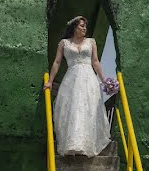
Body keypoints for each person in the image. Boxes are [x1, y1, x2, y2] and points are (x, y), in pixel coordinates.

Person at [44, 15, 111, 157]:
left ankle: (86, 144)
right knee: (74, 108)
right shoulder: (64, 43)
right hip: (72, 78)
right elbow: (57, 62)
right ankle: (73, 144)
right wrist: (50, 81)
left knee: (88, 107)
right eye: (81, 26)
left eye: (85, 26)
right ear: (74, 27)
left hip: (88, 78)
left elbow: (95, 62)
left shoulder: (91, 42)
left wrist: (104, 80)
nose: (84, 28)